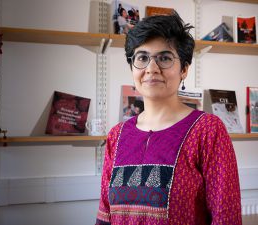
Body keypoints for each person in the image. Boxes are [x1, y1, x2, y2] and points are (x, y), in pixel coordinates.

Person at [96, 12, 242, 225]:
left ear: (184, 69)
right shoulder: (116, 136)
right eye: (142, 58)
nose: (151, 69)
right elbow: (104, 215)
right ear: (132, 67)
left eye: (164, 58)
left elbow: (226, 217)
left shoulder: (207, 130)